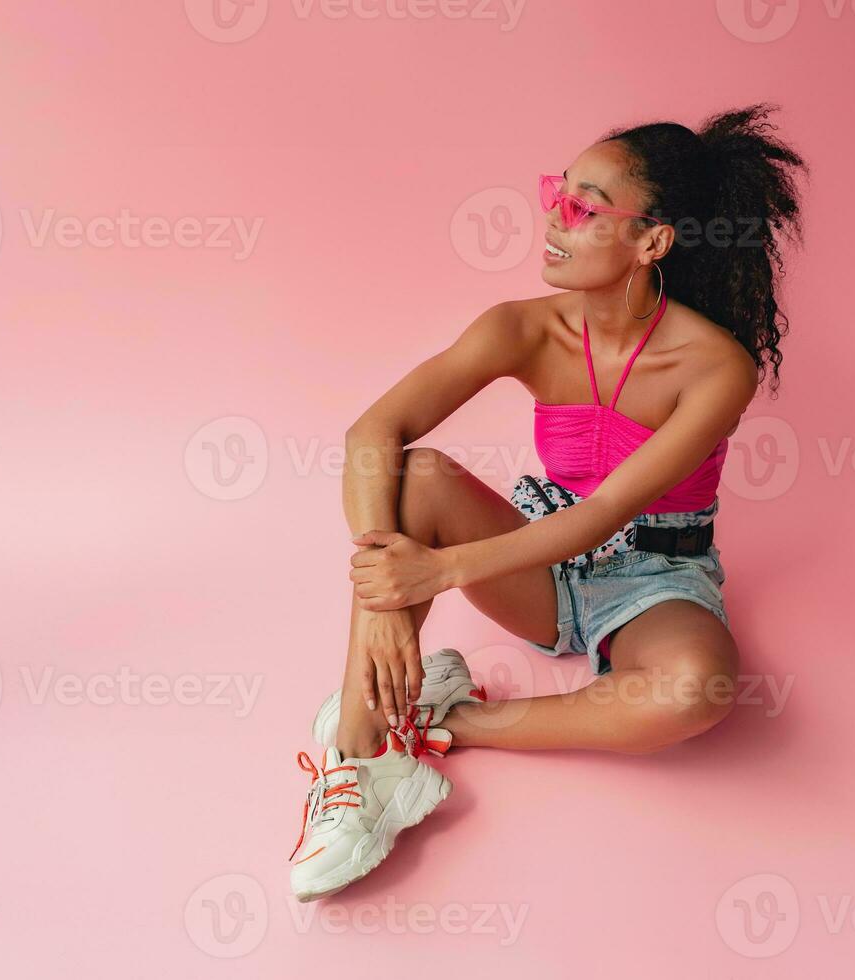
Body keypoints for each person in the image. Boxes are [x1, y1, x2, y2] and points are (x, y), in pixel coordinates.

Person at [289, 103, 808, 901]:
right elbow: (374, 431)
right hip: (530, 555)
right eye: (556, 193)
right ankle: (361, 757)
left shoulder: (715, 368)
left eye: (585, 207)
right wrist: (387, 584)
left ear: (652, 240)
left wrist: (430, 575)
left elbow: (603, 517)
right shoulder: (520, 329)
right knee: (417, 475)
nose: (552, 219)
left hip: (652, 577)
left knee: (698, 689)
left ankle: (439, 723)